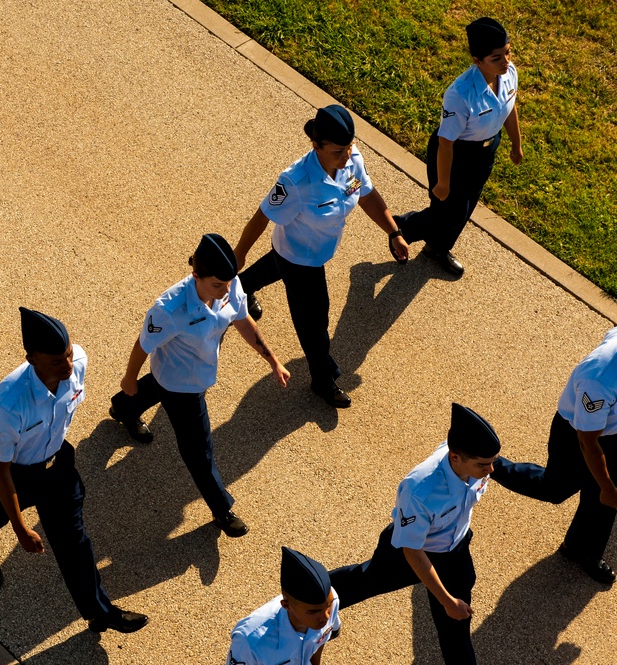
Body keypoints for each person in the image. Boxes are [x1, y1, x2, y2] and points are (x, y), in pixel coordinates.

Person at [0, 308, 148, 634]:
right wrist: (20, 528)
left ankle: (99, 613)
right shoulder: (9, 401)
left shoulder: (77, 365)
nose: (68, 367)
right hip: (16, 473)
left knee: (75, 544)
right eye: (57, 362)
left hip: (58, 466)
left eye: (69, 356)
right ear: (31, 358)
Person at [110, 233, 289, 538]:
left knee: (153, 389)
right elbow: (143, 345)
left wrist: (272, 360)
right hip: (182, 388)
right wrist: (128, 378)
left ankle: (124, 406)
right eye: (217, 285)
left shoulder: (229, 285)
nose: (226, 291)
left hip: (193, 371)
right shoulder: (168, 310)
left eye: (229, 283)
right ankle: (222, 510)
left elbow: (243, 321)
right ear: (196, 276)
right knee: (199, 450)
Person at [233, 105, 409, 409]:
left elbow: (365, 194)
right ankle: (322, 379)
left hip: (316, 248)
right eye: (339, 150)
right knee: (314, 322)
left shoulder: (351, 161)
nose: (347, 155)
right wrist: (238, 254)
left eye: (351, 146)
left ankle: (241, 286)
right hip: (299, 259)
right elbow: (262, 216)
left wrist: (393, 232)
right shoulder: (295, 182)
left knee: (275, 271)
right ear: (316, 146)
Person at [328, 404, 501, 664]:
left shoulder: (473, 459)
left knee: (456, 630)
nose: (491, 472)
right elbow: (412, 551)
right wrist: (447, 601)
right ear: (455, 457)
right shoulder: (419, 489)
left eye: (493, 462)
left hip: (455, 550)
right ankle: (310, 596)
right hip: (407, 552)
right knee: (366, 581)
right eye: (483, 465)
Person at [394, 17, 522, 276]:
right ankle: (401, 227)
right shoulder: (460, 93)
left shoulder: (508, 74)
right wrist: (443, 182)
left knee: (465, 207)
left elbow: (509, 109)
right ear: (477, 61)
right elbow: (446, 142)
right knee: (446, 210)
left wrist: (515, 144)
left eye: (507, 52)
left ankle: (437, 248)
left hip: (486, 150)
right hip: (456, 154)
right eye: (497, 58)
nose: (506, 61)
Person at [491, 328, 617, 585]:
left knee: (603, 501)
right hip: (577, 436)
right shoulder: (599, 379)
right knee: (556, 489)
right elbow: (587, 442)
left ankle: (582, 551)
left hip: (611, 433)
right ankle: (487, 462)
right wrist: (606, 487)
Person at [227, 547, 341, 665]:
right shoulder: (250, 642)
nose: (326, 616)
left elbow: (319, 641)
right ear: (286, 605)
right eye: (313, 612)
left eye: (329, 605)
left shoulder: (333, 601)